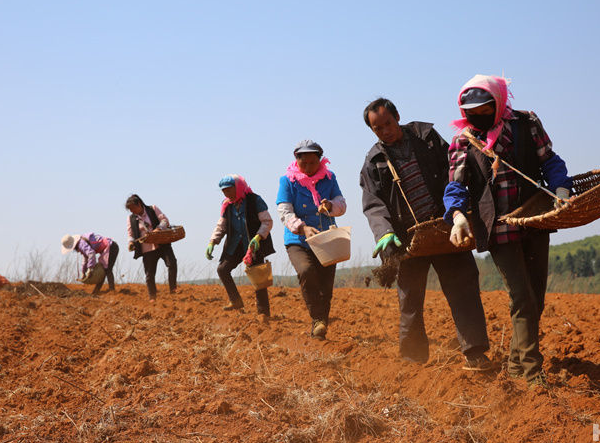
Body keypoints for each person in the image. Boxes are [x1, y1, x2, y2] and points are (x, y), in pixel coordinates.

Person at [443, 74, 572, 388]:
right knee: (521, 297)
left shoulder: (527, 124)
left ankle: (514, 366)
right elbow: (456, 185)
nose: (477, 117)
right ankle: (532, 372)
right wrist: (458, 216)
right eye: (470, 112)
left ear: (498, 103)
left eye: (485, 109)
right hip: (496, 225)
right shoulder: (465, 139)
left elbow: (549, 160)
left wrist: (561, 189)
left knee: (535, 299)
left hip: (534, 219)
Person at [360, 97, 490, 369]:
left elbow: (453, 171)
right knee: (410, 299)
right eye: (377, 128)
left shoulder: (427, 137)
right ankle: (413, 362)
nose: (385, 131)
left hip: (445, 228)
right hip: (407, 240)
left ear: (397, 116)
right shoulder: (374, 162)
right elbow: (373, 204)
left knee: (463, 287)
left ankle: (475, 353)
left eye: (387, 123)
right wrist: (384, 233)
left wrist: (459, 213)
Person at [276, 140, 347, 340]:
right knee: (307, 271)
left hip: (326, 238)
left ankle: (320, 328)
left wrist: (331, 205)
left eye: (312, 163)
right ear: (296, 161)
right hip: (298, 240)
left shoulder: (329, 178)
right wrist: (303, 228)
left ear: (320, 161)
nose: (307, 168)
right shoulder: (287, 181)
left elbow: (342, 204)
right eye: (303, 163)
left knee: (326, 284)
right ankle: (317, 319)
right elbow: (284, 211)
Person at [206, 174, 275, 318]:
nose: (227, 194)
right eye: (224, 191)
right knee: (223, 269)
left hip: (253, 244)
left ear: (238, 187)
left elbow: (267, 221)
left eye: (229, 190)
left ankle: (264, 314)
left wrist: (258, 236)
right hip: (235, 245)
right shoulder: (227, 205)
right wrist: (212, 242)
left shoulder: (254, 200)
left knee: (258, 278)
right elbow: (222, 226)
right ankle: (235, 301)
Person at [125, 194, 178, 301]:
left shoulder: (153, 209)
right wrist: (130, 243)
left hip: (162, 243)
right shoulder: (131, 218)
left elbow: (164, 220)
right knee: (149, 274)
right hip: (147, 248)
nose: (132, 211)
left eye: (132, 208)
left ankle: (173, 288)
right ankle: (152, 297)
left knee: (172, 263)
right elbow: (130, 233)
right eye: (130, 210)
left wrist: (159, 228)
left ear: (139, 204)